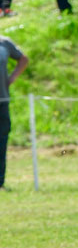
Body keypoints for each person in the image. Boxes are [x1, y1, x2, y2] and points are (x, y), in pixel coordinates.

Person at [0, 35, 28, 190]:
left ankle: (0, 182)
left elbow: (23, 59)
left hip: (2, 101)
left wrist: (12, 78)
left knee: (1, 141)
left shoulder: (4, 42)